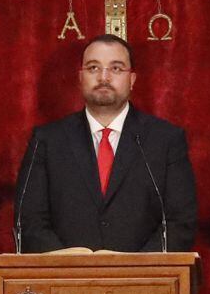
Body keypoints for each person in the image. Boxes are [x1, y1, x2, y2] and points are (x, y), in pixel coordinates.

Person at [13, 33, 197, 253]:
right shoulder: (47, 140)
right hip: (65, 281)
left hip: (144, 283)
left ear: (132, 80)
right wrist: (68, 266)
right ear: (80, 77)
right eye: (93, 68)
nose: (104, 77)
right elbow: (29, 221)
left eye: (116, 68)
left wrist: (134, 269)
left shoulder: (165, 140)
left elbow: (180, 223)